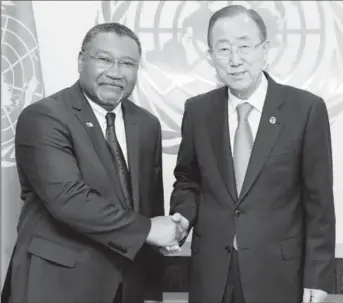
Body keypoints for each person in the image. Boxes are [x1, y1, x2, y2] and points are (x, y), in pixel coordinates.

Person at [1, 22, 183, 303]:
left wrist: (163, 238)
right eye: (104, 59)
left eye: (127, 63)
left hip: (128, 285)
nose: (115, 72)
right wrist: (148, 230)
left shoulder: (146, 124)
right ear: (81, 60)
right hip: (57, 284)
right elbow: (69, 200)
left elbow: (147, 204)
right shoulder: (44, 117)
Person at [168, 5, 336, 303]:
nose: (235, 60)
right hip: (212, 271)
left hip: (279, 273)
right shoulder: (198, 110)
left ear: (264, 49)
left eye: (244, 46)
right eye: (223, 49)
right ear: (211, 56)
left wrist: (318, 276)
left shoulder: (305, 109)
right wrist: (182, 217)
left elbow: (319, 203)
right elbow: (188, 180)